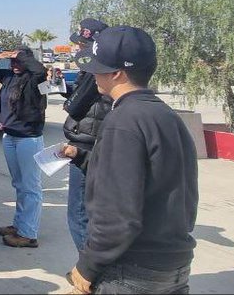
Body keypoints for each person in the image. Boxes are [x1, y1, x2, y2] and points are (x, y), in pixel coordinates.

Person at [66, 26, 198, 294]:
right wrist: (82, 156)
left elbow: (117, 213)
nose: (92, 74)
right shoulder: (164, 115)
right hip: (174, 264)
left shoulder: (123, 121)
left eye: (96, 67)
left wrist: (88, 265)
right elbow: (152, 178)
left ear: (117, 73)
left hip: (133, 270)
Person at [0, 46, 47, 249]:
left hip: (28, 139)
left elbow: (41, 70)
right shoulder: (8, 77)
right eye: (12, 62)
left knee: (31, 187)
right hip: (10, 136)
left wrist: (22, 56)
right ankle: (19, 225)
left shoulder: (35, 79)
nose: (15, 65)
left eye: (19, 61)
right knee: (19, 184)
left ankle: (28, 233)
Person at [60, 18, 112, 249]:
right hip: (90, 142)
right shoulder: (96, 70)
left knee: (79, 215)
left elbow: (74, 106)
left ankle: (88, 273)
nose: (78, 49)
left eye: (82, 44)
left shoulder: (96, 72)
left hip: (87, 146)